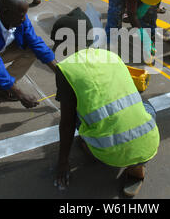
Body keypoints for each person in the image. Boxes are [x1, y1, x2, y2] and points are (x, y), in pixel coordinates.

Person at [51, 12, 160, 197]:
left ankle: (96, 150)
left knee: (79, 112)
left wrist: (62, 163)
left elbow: (67, 124)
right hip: (148, 142)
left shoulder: (67, 69)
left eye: (57, 42)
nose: (54, 47)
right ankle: (137, 167)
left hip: (107, 152)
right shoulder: (111, 56)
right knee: (144, 106)